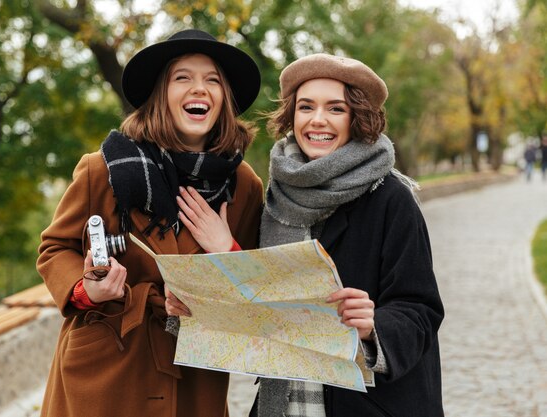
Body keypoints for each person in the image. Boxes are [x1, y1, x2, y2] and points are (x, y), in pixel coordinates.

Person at [167, 53, 445, 417]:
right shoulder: (279, 196)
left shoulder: (391, 198)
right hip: (283, 402)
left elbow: (421, 309)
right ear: (291, 116)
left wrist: (374, 325)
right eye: (306, 107)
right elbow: (268, 306)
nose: (317, 120)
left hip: (369, 404)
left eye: (335, 109)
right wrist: (197, 305)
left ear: (358, 118)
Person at [36, 29, 264, 417]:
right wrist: (88, 291)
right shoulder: (103, 169)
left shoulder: (243, 185)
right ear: (161, 94)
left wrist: (226, 252)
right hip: (105, 369)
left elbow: (256, 291)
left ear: (224, 98)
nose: (200, 89)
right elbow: (55, 248)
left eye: (212, 80)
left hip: (193, 377)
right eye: (183, 78)